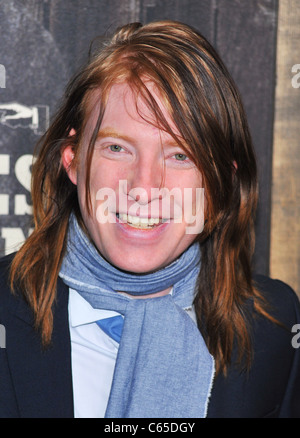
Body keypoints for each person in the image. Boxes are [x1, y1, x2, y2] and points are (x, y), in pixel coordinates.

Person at [0, 20, 299, 419]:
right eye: (118, 147)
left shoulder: (275, 326)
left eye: (181, 155)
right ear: (72, 161)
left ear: (221, 182)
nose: (143, 187)